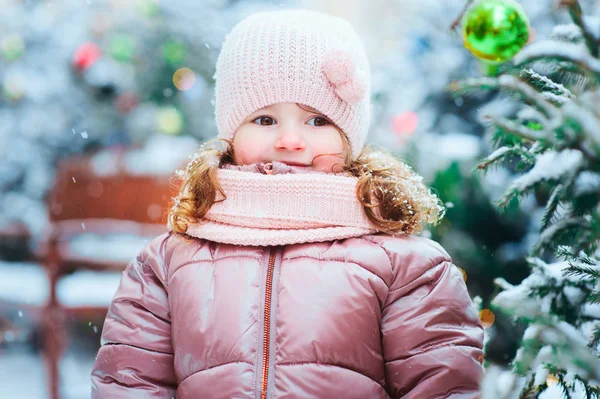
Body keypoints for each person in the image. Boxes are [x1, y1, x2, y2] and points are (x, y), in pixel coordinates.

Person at [91, 9, 484, 399]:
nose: (290, 140)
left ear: (350, 135)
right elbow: (130, 382)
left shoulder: (405, 264)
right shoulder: (169, 261)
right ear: (231, 131)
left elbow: (441, 385)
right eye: (264, 120)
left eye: (317, 121)